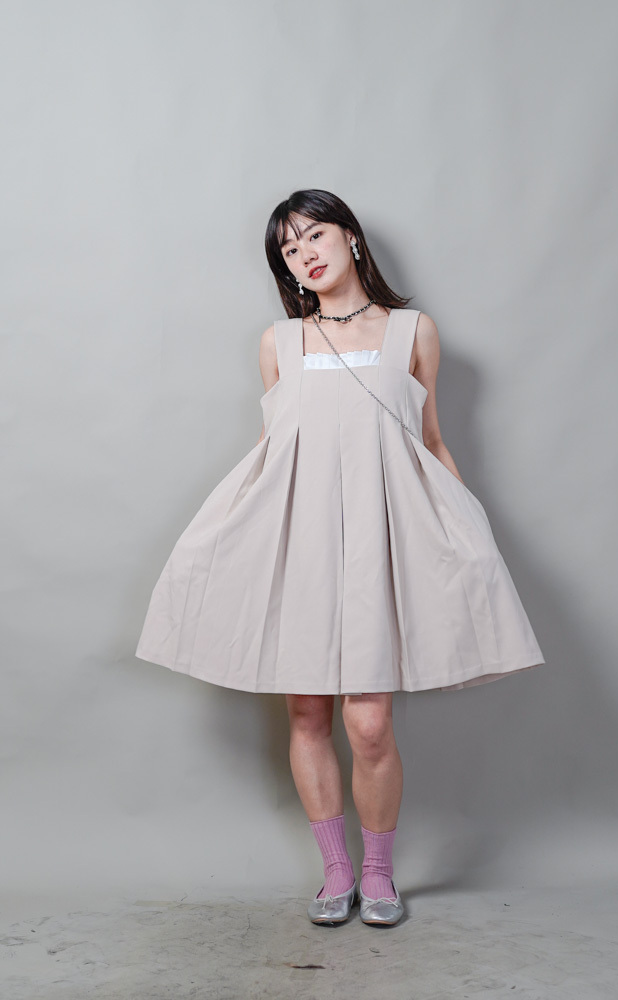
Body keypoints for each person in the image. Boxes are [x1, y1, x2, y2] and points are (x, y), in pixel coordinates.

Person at [135, 188, 545, 928]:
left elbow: (430, 440)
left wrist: (469, 533)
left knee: (369, 723)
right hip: (300, 538)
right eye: (288, 250)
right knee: (305, 713)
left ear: (350, 237)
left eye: (314, 236)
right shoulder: (279, 343)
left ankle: (379, 875)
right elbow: (276, 452)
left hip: (379, 539)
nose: (305, 255)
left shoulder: (413, 331)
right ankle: (336, 874)